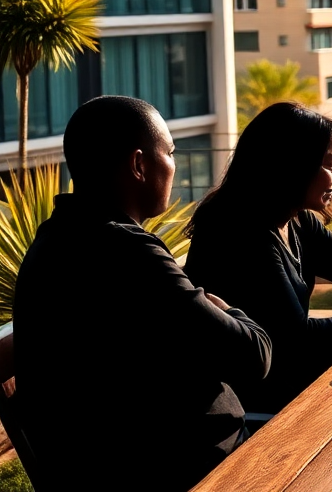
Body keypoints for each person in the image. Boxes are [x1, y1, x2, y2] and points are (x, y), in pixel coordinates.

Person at [15, 96, 273, 492]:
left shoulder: (56, 239)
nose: (173, 164)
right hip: (191, 470)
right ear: (139, 165)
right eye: (169, 152)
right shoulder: (124, 250)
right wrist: (223, 306)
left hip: (123, 465)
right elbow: (254, 355)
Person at [185, 103, 332, 415]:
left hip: (293, 381)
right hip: (257, 403)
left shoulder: (296, 221)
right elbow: (295, 341)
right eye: (330, 164)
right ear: (291, 164)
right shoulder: (242, 233)